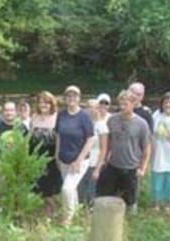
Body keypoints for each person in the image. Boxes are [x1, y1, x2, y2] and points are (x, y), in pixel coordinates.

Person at [96, 90, 151, 214]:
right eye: (120, 104)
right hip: (113, 165)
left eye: (125, 104)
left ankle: (130, 222)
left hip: (131, 167)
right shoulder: (112, 120)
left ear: (133, 104)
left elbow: (147, 148)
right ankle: (108, 219)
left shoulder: (141, 124)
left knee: (130, 200)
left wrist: (143, 168)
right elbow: (107, 143)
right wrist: (103, 161)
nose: (122, 107)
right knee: (107, 196)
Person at [55, 85, 94, 225]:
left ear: (79, 98)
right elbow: (59, 135)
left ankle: (68, 217)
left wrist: (79, 160)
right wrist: (56, 156)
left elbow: (90, 139)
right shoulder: (61, 114)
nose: (71, 98)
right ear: (65, 98)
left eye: (74, 95)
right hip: (64, 159)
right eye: (69, 96)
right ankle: (77, 213)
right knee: (72, 189)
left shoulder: (84, 116)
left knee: (67, 188)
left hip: (79, 161)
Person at [30, 91, 62, 217]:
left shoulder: (57, 117)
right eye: (40, 102)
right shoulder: (34, 116)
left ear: (51, 104)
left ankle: (55, 211)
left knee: (49, 189)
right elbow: (30, 138)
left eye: (46, 102)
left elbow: (59, 138)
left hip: (50, 157)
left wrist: (57, 156)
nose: (43, 105)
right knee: (39, 187)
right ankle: (48, 212)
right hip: (35, 157)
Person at [152, 92, 170, 215]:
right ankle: (156, 203)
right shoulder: (157, 116)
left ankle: (168, 203)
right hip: (159, 154)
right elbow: (151, 132)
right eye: (165, 102)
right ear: (162, 104)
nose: (168, 104)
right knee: (157, 181)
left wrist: (169, 136)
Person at [78, 99, 108, 206]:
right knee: (80, 190)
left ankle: (91, 214)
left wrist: (98, 169)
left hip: (94, 163)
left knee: (91, 191)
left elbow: (104, 149)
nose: (91, 109)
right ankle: (79, 213)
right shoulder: (82, 124)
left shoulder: (101, 126)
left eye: (94, 107)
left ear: (98, 109)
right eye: (88, 107)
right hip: (81, 162)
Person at [0, 101, 27, 175]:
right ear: (3, 112)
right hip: (2, 166)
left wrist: (24, 166)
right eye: (6, 110)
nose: (9, 113)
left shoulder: (22, 128)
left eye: (11, 110)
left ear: (16, 112)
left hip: (18, 166)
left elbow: (26, 147)